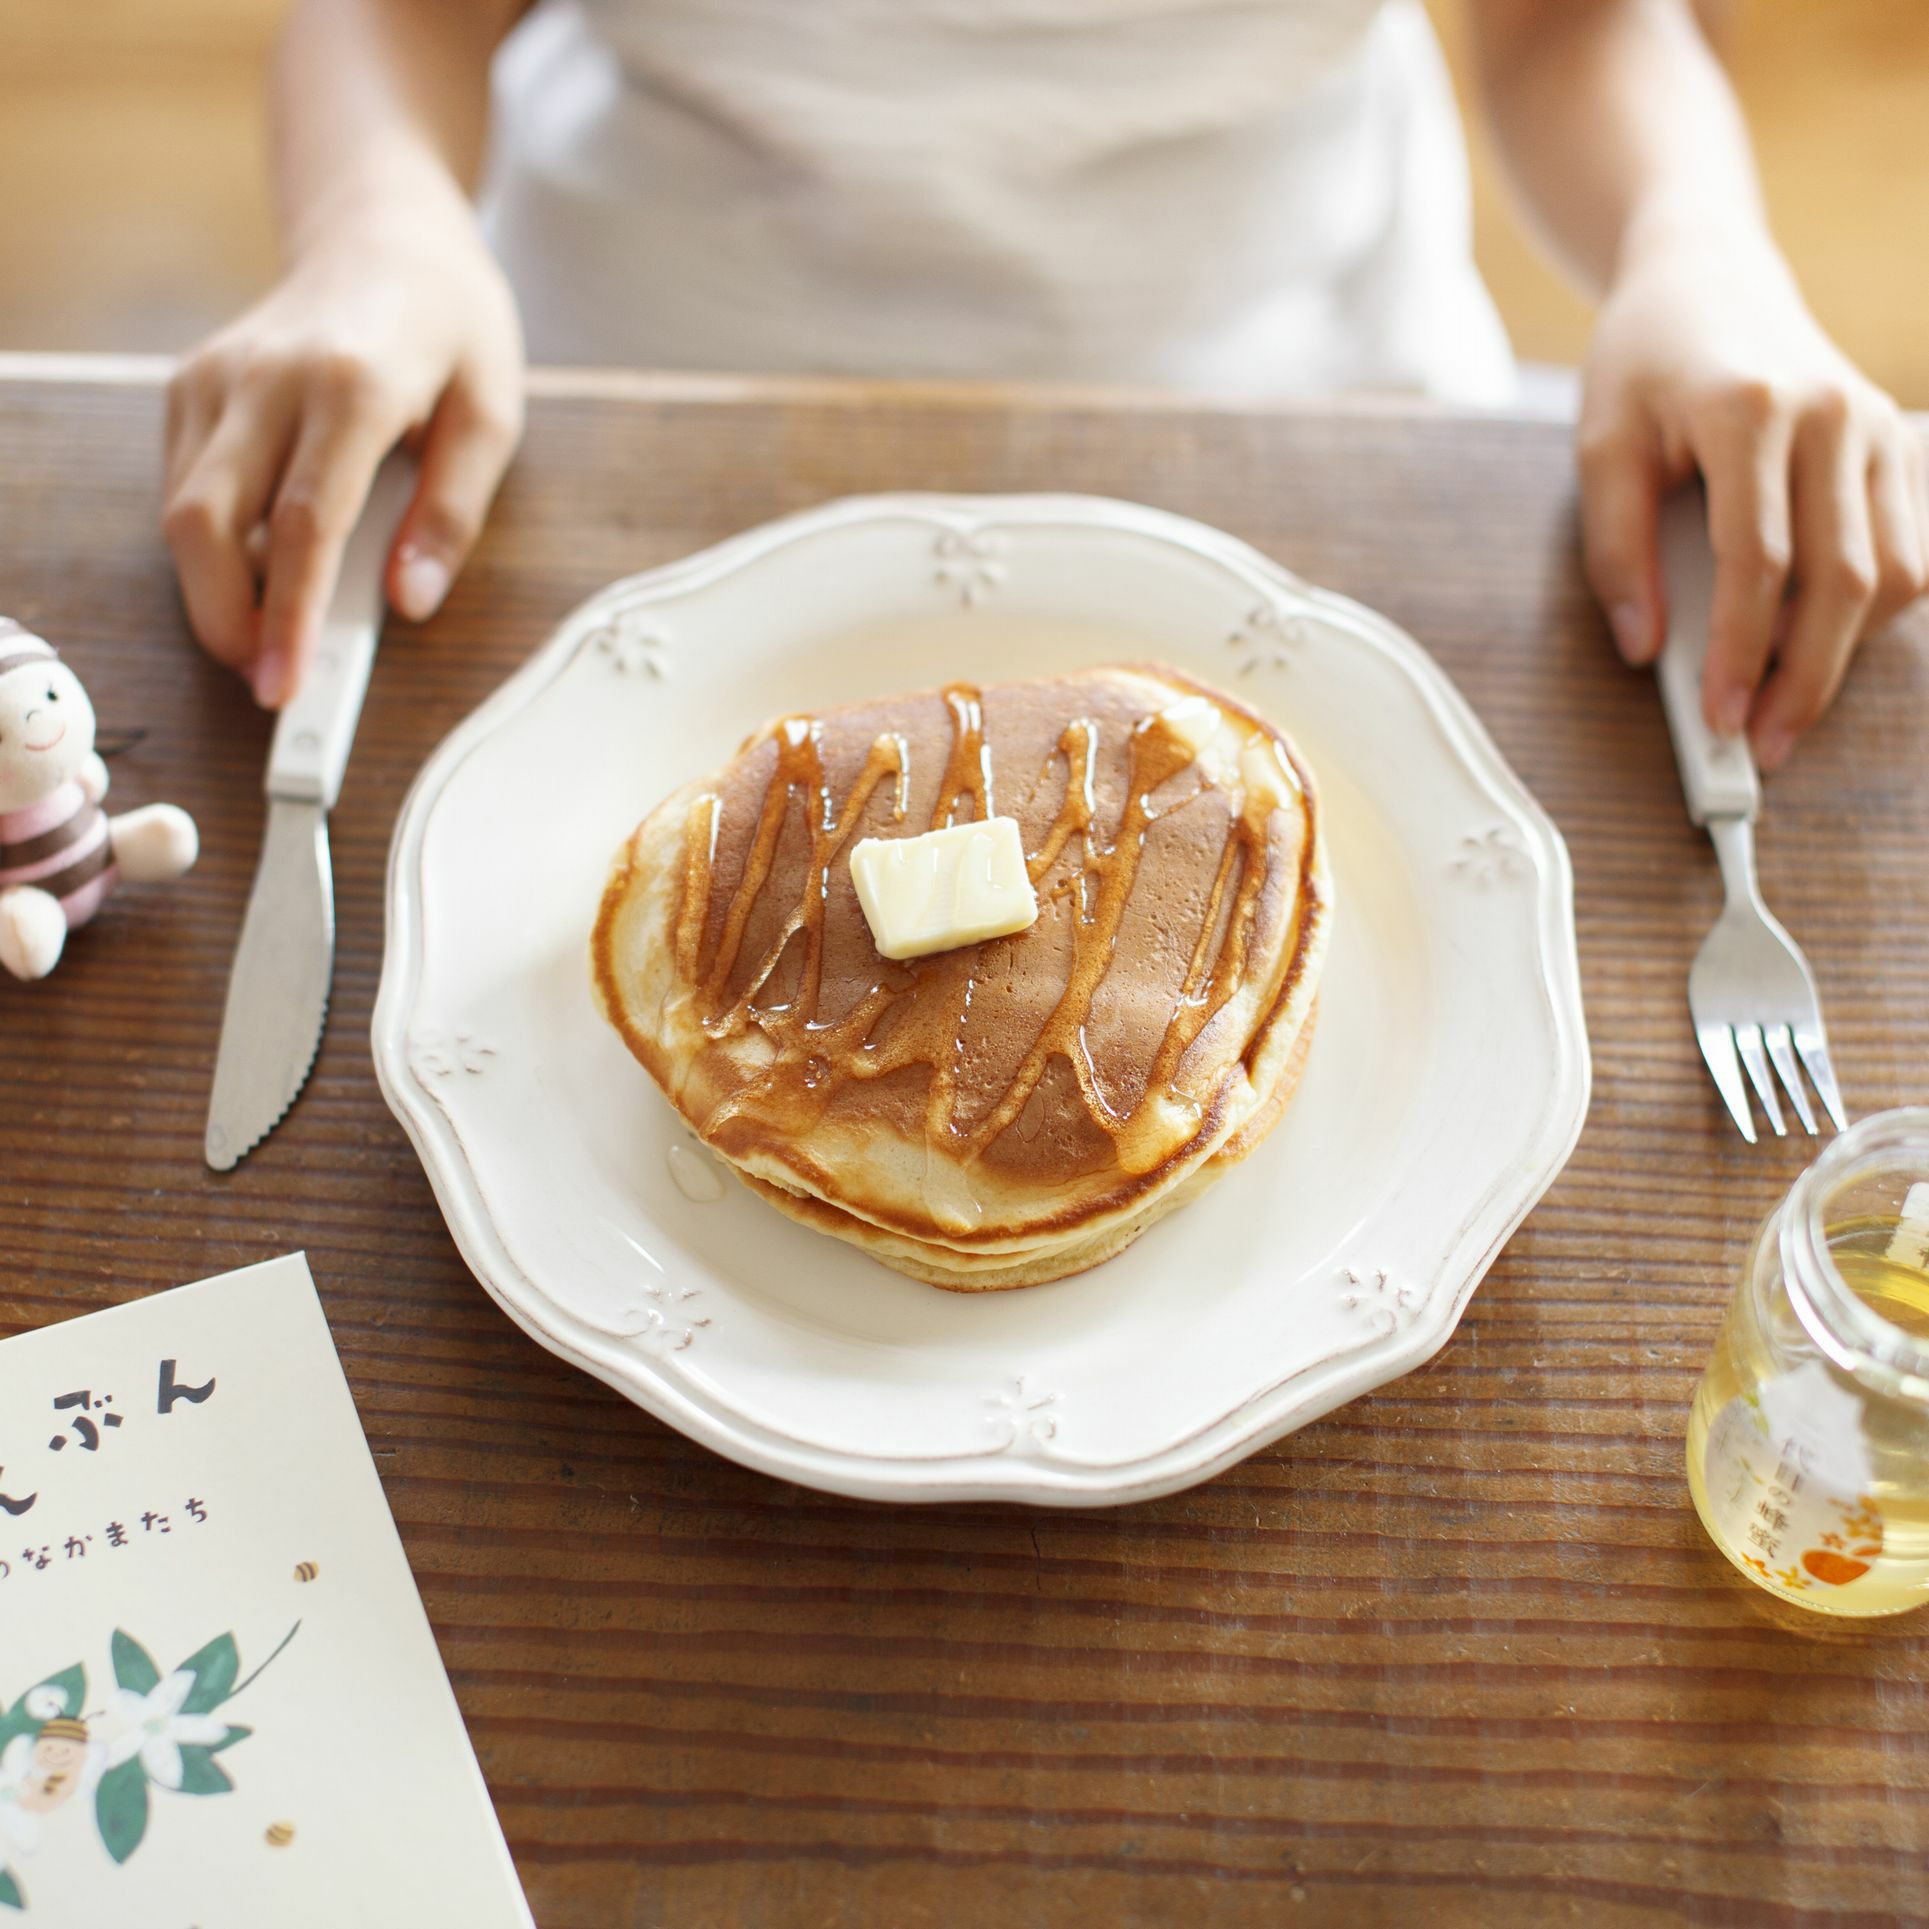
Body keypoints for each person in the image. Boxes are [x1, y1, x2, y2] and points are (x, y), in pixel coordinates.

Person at [162, 0, 1927, 773]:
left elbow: (1567, 18)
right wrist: (377, 218)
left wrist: (1701, 247)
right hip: (626, 416)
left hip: (1316, 409)